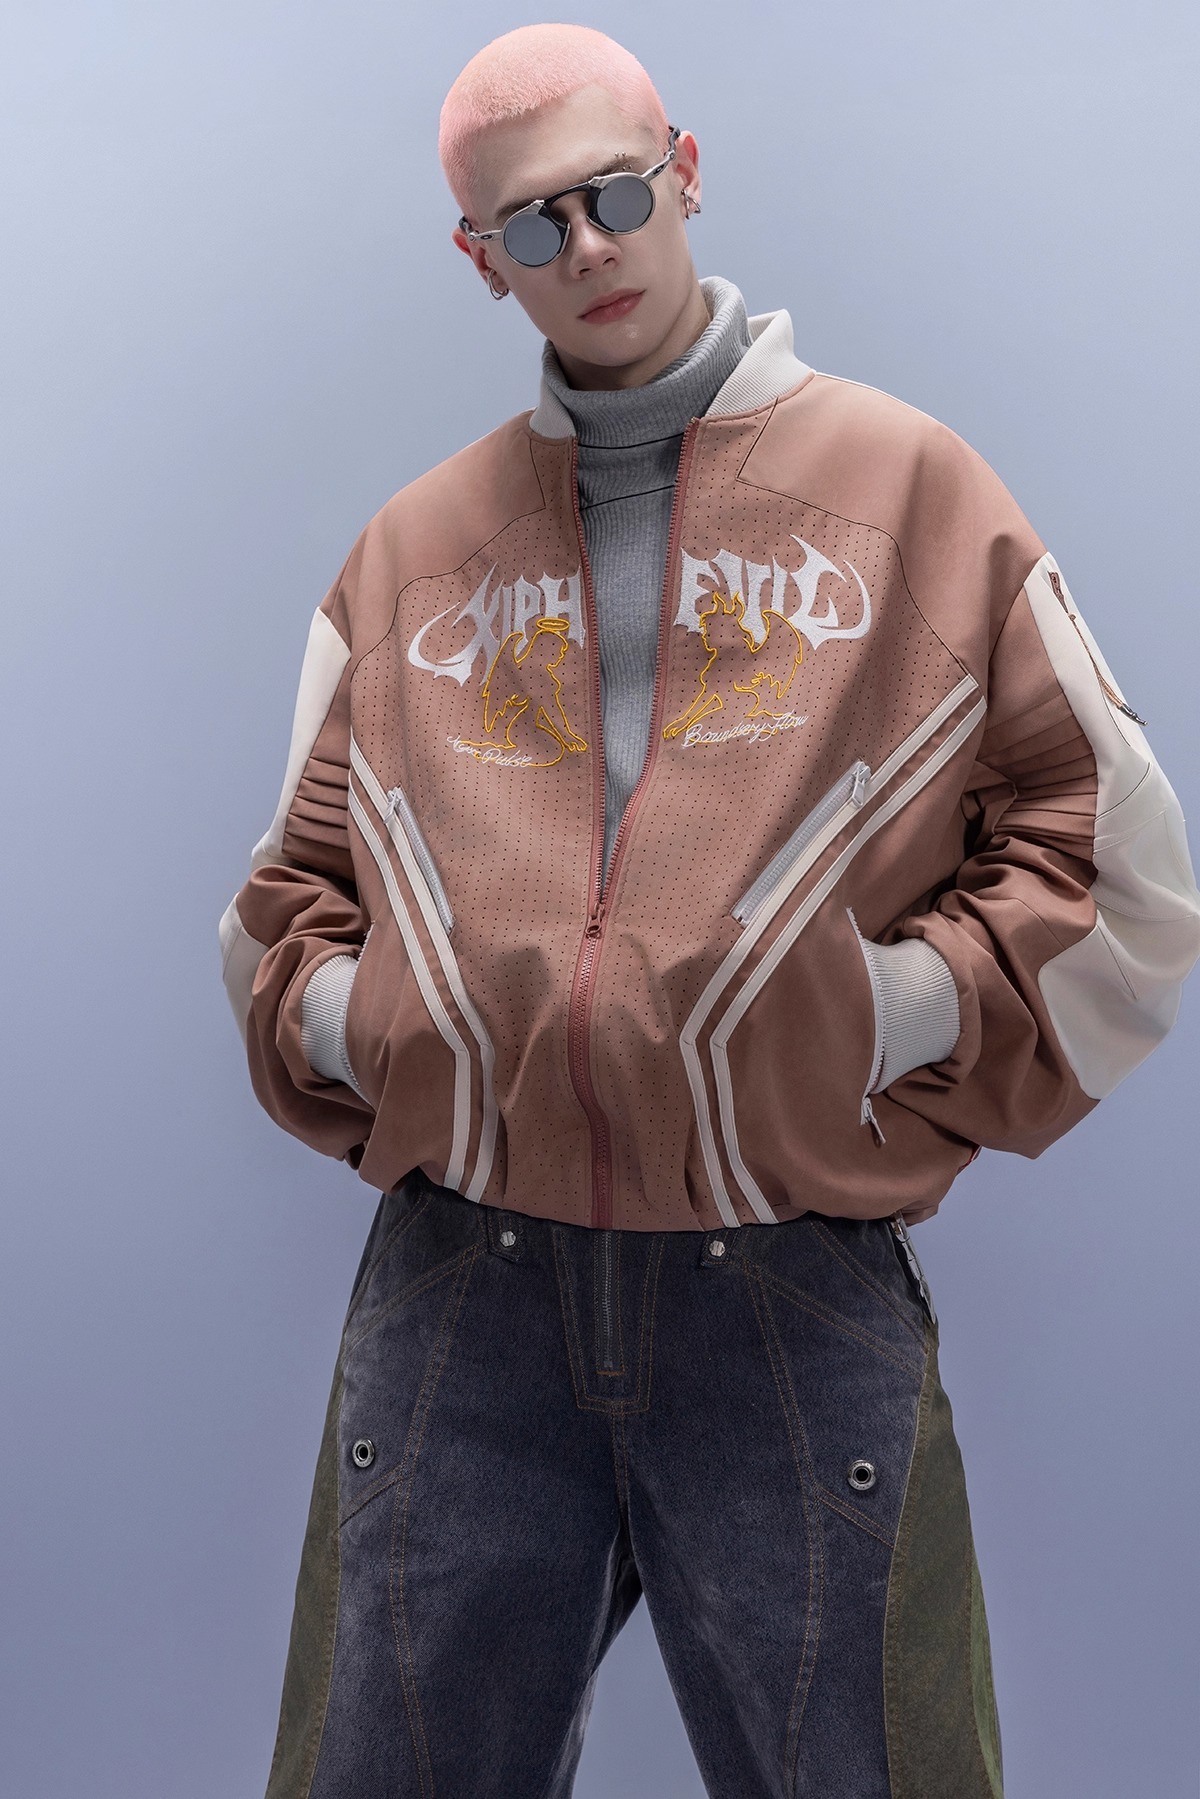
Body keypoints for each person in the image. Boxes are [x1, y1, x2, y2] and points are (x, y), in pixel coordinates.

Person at [218, 23, 1200, 1799]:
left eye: (614, 195)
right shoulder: (413, 552)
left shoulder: (913, 493)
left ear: (684, 171)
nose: (587, 247)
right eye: (533, 225)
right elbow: (283, 907)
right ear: (480, 258)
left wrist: (875, 1014)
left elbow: (1120, 864)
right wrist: (384, 1027)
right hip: (462, 1301)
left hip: (786, 1294)